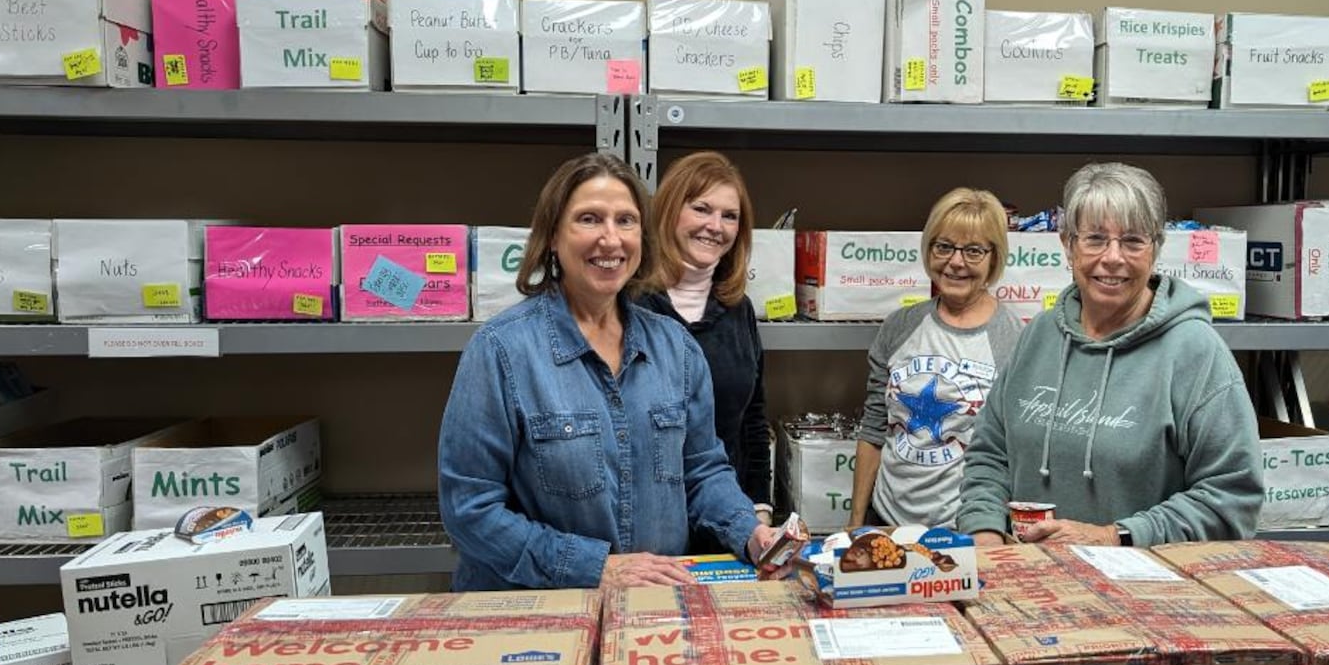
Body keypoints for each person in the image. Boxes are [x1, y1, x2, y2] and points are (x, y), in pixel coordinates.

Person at [437, 152, 777, 591]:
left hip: (652, 609)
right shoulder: (502, 350)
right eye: (590, 219)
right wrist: (595, 567)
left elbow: (702, 470)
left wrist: (749, 531)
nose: (611, 239)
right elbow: (470, 510)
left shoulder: (676, 349)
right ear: (553, 236)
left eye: (626, 221)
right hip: (541, 613)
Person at [957, 162, 1262, 547]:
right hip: (1029, 582)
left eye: (1133, 240)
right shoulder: (1038, 334)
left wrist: (1116, 536)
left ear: (1156, 249)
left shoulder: (1195, 352)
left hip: (1143, 595)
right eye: (1095, 239)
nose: (1113, 257)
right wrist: (984, 532)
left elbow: (1232, 498)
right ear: (1068, 244)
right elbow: (989, 454)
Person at [850, 188, 1024, 529]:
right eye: (944, 246)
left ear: (994, 257)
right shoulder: (899, 326)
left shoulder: (1013, 337)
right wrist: (857, 521)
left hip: (965, 528)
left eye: (973, 251)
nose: (956, 262)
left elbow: (1013, 452)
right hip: (886, 519)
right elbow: (873, 428)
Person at [632, 152, 772, 550]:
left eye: (730, 216)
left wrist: (758, 509)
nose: (716, 226)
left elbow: (753, 419)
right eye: (702, 209)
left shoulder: (737, 309)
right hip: (645, 531)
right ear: (670, 211)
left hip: (726, 523)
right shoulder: (629, 304)